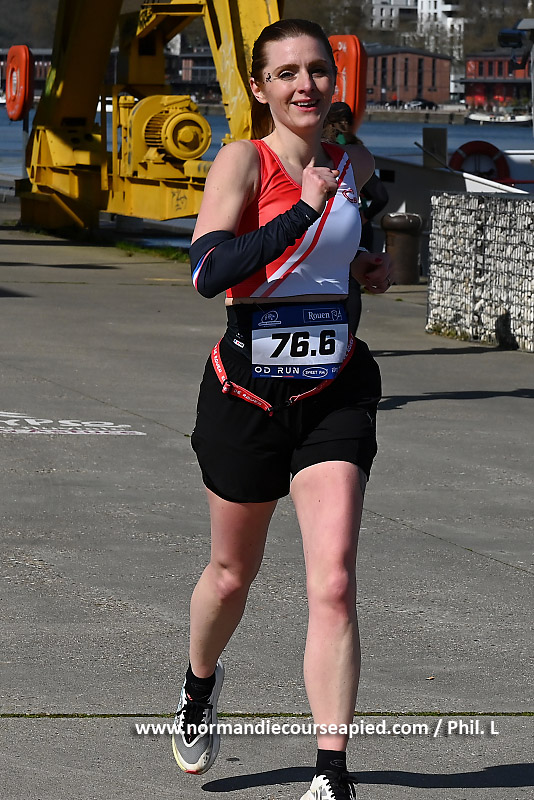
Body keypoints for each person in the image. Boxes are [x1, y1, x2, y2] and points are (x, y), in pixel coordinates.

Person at [171, 18, 392, 800]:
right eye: (287, 73)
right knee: (232, 575)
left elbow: (335, 255)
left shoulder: (354, 162)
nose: (306, 85)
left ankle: (332, 773)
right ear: (260, 87)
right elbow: (208, 272)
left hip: (334, 393)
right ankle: (198, 686)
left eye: (318, 70)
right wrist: (301, 210)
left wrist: (363, 264)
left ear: (335, 80)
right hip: (245, 396)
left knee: (332, 583)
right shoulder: (244, 160)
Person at [323, 101, 389, 252]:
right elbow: (381, 196)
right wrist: (365, 216)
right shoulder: (358, 150)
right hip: (358, 225)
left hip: (333, 228)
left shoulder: (326, 150)